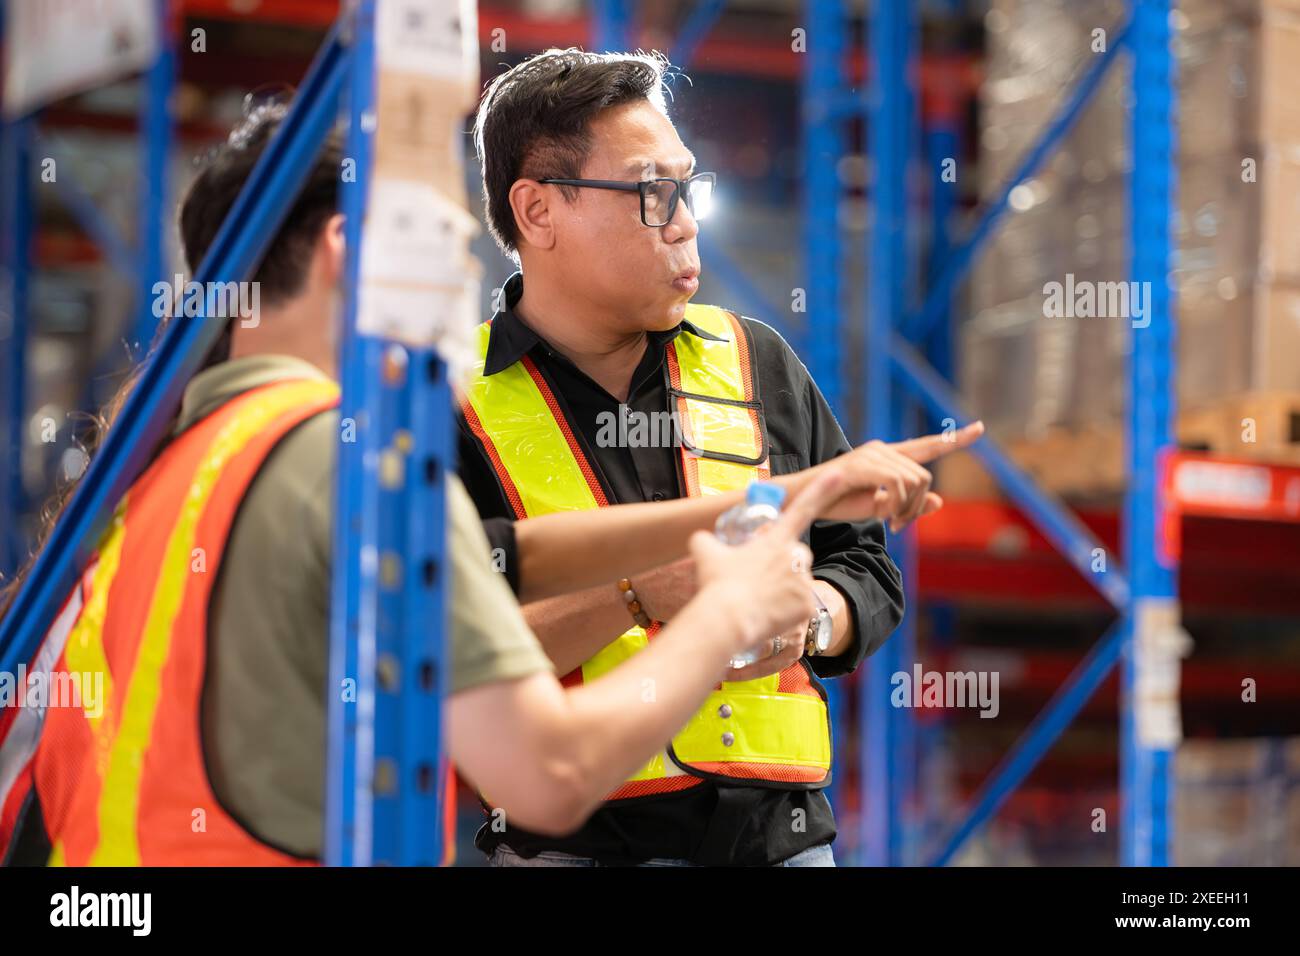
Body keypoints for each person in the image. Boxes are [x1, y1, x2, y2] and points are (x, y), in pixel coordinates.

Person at [0, 103, 980, 866]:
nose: (458, 277)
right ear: (348, 248)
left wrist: (780, 499)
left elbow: (492, 555)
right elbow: (545, 773)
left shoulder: (166, 466)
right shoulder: (357, 459)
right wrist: (725, 612)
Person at [459, 47, 975, 868]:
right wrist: (637, 595)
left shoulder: (755, 360)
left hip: (780, 843)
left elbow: (865, 570)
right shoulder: (454, 406)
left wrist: (811, 621)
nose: (686, 221)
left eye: (686, 187)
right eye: (648, 192)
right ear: (537, 211)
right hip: (575, 847)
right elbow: (448, 657)